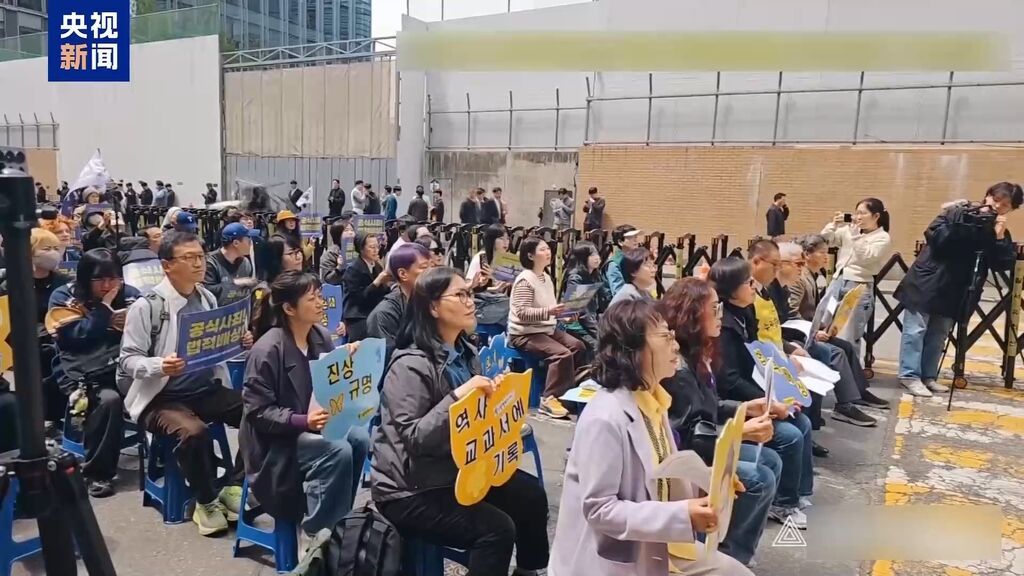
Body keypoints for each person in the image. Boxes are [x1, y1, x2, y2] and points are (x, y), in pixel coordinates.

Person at [549, 299, 752, 576]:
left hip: (654, 546)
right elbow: (600, 510)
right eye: (665, 336)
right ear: (632, 349)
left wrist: (711, 486)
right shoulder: (605, 418)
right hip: (609, 562)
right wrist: (682, 514)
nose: (675, 345)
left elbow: (660, 482)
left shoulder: (652, 400)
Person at [371, 267, 550, 576]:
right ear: (432, 307)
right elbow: (415, 438)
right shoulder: (410, 365)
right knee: (496, 530)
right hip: (411, 489)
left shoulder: (465, 351)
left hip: (458, 470)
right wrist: (459, 395)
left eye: (470, 293)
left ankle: (528, 571)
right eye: (460, 295)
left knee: (531, 495)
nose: (470, 302)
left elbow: (474, 417)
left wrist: (495, 395)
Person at [119, 231, 251, 536]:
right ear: (167, 265)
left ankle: (234, 484)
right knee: (194, 432)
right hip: (161, 398)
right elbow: (127, 360)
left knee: (256, 410)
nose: (198, 264)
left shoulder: (206, 297)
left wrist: (239, 340)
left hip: (203, 389)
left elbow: (215, 345)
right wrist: (159, 365)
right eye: (188, 258)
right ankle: (205, 501)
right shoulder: (147, 307)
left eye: (200, 257)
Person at [659, 278, 780, 567]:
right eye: (713, 309)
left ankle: (733, 548)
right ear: (691, 315)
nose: (720, 316)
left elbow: (708, 405)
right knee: (758, 478)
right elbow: (689, 437)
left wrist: (744, 408)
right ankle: (725, 555)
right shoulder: (680, 368)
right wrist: (740, 432)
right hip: (688, 457)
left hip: (709, 440)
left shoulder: (699, 352)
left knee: (771, 461)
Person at [242, 271, 369, 536]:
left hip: (311, 426)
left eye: (320, 296)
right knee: (337, 450)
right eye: (312, 299)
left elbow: (327, 385)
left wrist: (344, 360)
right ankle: (317, 535)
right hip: (275, 442)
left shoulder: (320, 336)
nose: (321, 304)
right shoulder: (267, 350)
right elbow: (258, 412)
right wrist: (303, 421)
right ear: (289, 308)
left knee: (359, 437)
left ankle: (337, 520)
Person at [709, 257, 814, 529]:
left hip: (757, 390)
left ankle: (799, 492)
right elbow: (729, 380)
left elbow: (758, 353)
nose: (754, 287)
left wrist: (784, 385)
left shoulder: (746, 311)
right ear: (732, 289)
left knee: (802, 421)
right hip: (735, 400)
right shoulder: (723, 327)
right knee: (789, 436)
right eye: (748, 283)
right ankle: (783, 504)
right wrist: (769, 403)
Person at [895, 182, 1023, 397]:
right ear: (987, 196)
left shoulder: (997, 229)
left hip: (957, 288)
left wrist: (999, 237)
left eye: (1005, 205)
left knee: (939, 334)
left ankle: (928, 376)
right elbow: (935, 238)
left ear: (1011, 210)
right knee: (916, 331)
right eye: (995, 200)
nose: (997, 206)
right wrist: (962, 224)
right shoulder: (958, 212)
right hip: (927, 281)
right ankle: (909, 376)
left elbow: (1002, 264)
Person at [47, 249, 142, 497]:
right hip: (82, 371)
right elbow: (72, 337)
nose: (108, 285)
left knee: (167, 386)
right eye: (99, 279)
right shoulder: (65, 296)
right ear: (85, 277)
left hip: (123, 365)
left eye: (114, 278)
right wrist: (105, 313)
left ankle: (165, 457)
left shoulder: (131, 295)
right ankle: (97, 473)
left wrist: (101, 326)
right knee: (108, 401)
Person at [771, 242, 878, 427]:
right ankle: (841, 405)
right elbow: (787, 318)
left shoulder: (798, 280)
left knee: (845, 346)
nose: (826, 257)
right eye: (798, 263)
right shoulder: (789, 284)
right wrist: (808, 334)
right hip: (792, 335)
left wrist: (819, 327)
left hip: (799, 331)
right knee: (831, 352)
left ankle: (857, 393)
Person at [0, 229, 74, 426]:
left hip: (57, 339)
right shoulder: (12, 284)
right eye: (46, 248)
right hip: (22, 343)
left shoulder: (64, 283)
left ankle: (56, 418)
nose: (53, 253)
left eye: (55, 248)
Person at [508, 236, 585, 419]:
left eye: (548, 248)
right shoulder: (525, 280)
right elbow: (521, 312)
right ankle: (548, 399)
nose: (548, 252)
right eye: (542, 250)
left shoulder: (546, 278)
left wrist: (565, 316)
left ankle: (569, 394)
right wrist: (549, 311)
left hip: (545, 328)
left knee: (578, 346)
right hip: (525, 333)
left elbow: (549, 310)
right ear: (530, 256)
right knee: (562, 354)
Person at [820, 197, 893, 361]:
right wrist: (833, 224)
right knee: (824, 321)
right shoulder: (850, 230)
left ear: (876, 216)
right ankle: (825, 362)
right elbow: (827, 238)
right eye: (856, 213)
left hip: (859, 286)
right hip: (838, 281)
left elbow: (867, 257)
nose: (858, 217)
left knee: (850, 334)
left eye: (863, 213)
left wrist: (855, 238)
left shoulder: (882, 237)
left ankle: (849, 369)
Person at [367, 243, 432, 361]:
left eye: (432, 267)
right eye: (424, 268)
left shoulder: (435, 302)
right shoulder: (384, 314)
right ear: (403, 274)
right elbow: (389, 359)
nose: (431, 273)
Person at [341, 231, 391, 342]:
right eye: (372, 247)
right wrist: (377, 281)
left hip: (374, 311)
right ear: (361, 249)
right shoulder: (353, 269)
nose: (376, 250)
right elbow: (359, 298)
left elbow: (382, 293)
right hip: (358, 315)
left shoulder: (377, 266)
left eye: (377, 247)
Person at [560, 241, 608, 356]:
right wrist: (599, 333)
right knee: (600, 348)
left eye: (597, 253)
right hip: (575, 326)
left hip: (592, 322)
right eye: (592, 255)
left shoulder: (595, 275)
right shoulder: (575, 277)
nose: (597, 257)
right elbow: (582, 313)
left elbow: (605, 299)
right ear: (582, 258)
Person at [204, 223, 260, 306]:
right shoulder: (210, 262)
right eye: (248, 239)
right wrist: (234, 283)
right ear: (236, 243)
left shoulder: (245, 263)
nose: (251, 243)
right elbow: (206, 292)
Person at [605, 224, 641, 296]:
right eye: (631, 237)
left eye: (636, 237)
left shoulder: (633, 259)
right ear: (620, 242)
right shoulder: (614, 264)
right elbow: (619, 293)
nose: (636, 240)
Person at [320, 219, 356, 286]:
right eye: (346, 230)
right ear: (337, 234)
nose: (350, 232)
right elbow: (328, 280)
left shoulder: (359, 249)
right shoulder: (330, 253)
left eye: (352, 230)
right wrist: (339, 267)